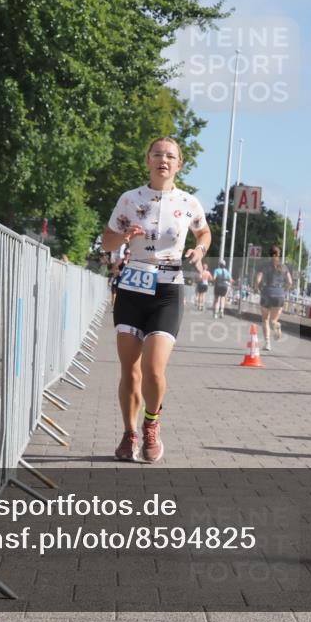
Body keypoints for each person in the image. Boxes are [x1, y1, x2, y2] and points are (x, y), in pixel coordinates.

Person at [101, 137, 210, 463]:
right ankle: (128, 433)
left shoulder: (189, 202)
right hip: (133, 285)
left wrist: (199, 250)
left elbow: (203, 232)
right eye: (158, 154)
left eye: (171, 156)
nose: (164, 159)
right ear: (147, 160)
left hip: (168, 288)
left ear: (179, 164)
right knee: (130, 371)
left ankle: (151, 424)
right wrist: (124, 237)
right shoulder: (129, 199)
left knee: (153, 368)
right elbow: (108, 240)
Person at [254, 245, 292, 352]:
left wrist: (257, 288)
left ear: (269, 254)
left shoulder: (265, 266)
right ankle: (277, 324)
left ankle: (267, 343)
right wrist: (284, 291)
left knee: (265, 320)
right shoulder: (284, 267)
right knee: (273, 320)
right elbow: (290, 282)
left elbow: (258, 279)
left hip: (267, 293)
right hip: (279, 295)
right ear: (279, 254)